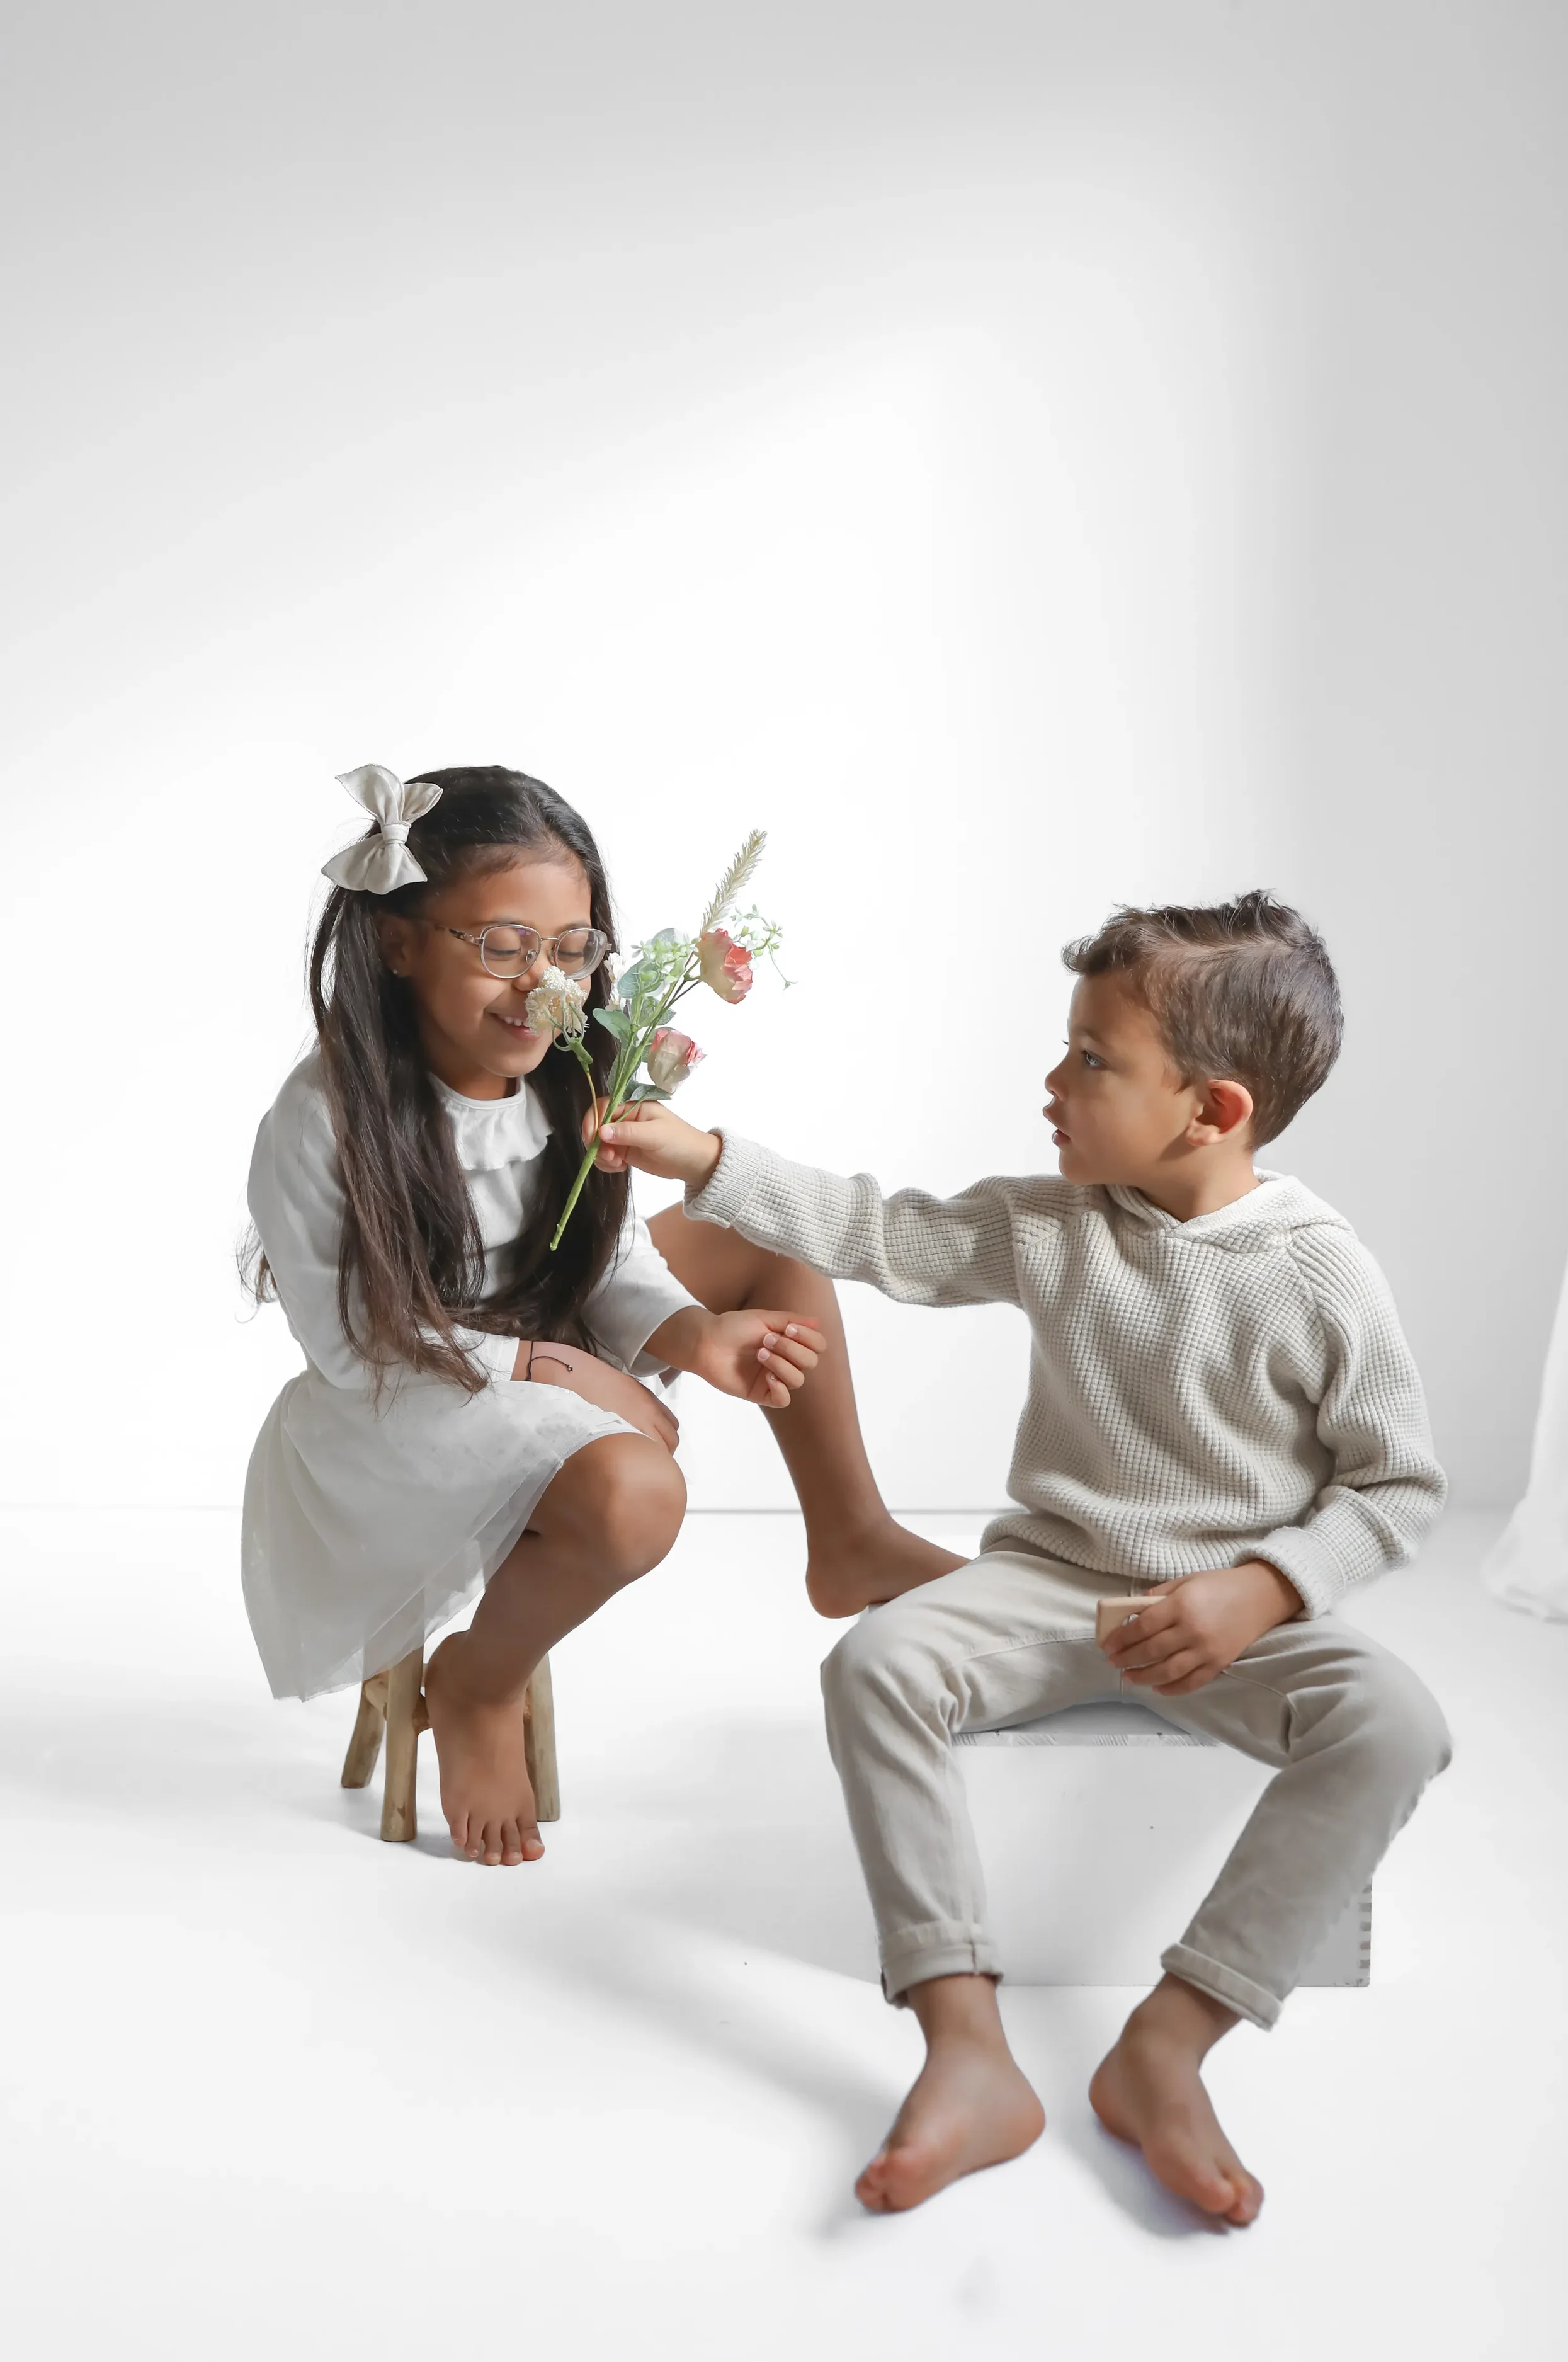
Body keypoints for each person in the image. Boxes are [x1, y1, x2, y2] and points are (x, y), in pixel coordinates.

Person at [594, 891, 1452, 2223]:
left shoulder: (1318, 1272)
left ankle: (1166, 2048)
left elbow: (1396, 1484)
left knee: (1393, 1721)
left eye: (1090, 1060)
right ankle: (965, 2046)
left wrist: (1266, 1586)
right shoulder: (1056, 1219)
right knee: (876, 1661)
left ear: (1211, 1110)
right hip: (1048, 1591)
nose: (1050, 1084)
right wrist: (705, 1156)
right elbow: (880, 1232)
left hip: (1231, 1621)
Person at [242, 764, 964, 1868]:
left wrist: (690, 1337)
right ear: (399, 940)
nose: (543, 985)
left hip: (539, 1329)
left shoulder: (570, 1074)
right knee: (639, 1494)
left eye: (569, 950)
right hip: (401, 1403)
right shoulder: (327, 1117)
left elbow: (608, 1255)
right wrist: (564, 1371)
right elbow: (356, 1345)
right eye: (501, 946)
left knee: (768, 1240)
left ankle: (850, 1536)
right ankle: (476, 1684)